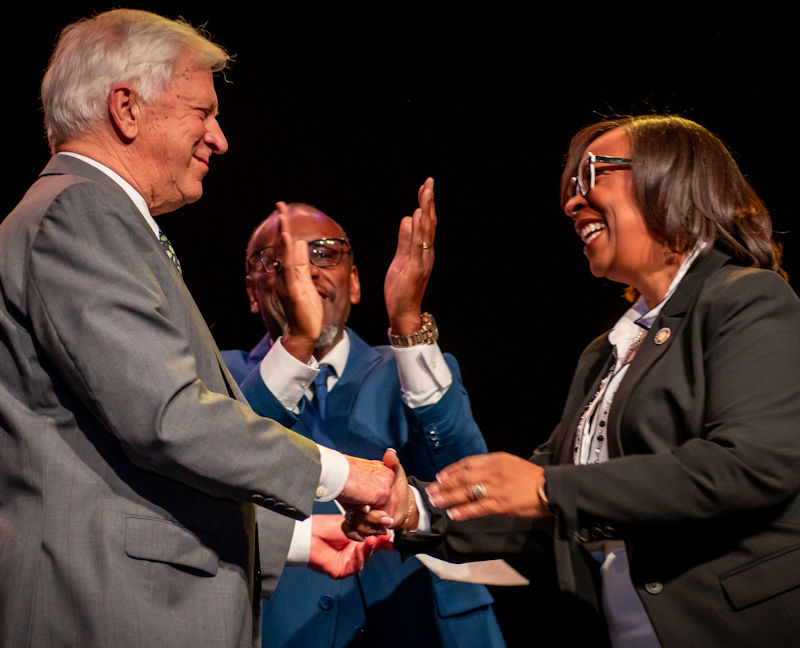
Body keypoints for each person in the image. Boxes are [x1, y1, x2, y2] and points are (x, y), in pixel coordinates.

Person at [0, 10, 393, 647]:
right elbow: (170, 417)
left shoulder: (86, 214)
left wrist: (290, 537)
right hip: (108, 614)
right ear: (126, 109)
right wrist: (348, 475)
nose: (219, 138)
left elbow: (105, 456)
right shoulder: (81, 213)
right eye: (201, 112)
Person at [352, 115, 800, 647]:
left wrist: (548, 488)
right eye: (570, 188)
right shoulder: (607, 350)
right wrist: (414, 509)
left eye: (592, 176)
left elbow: (752, 465)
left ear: (672, 178)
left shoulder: (746, 298)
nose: (571, 203)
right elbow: (551, 503)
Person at [222, 185, 507, 647]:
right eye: (276, 260)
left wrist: (408, 320)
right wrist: (298, 339)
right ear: (253, 292)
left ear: (354, 283)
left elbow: (470, 480)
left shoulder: (409, 369)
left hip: (426, 627)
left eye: (324, 253)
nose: (306, 268)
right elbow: (221, 452)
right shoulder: (221, 379)